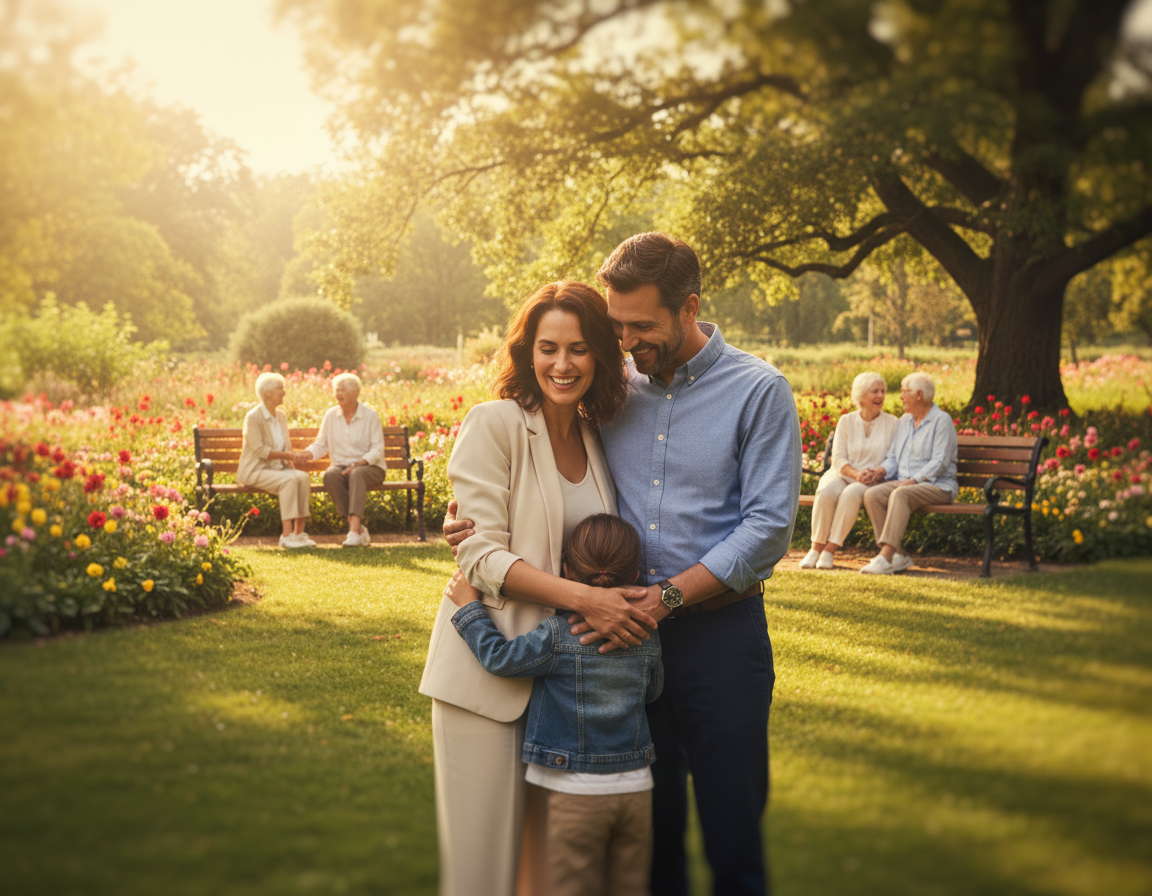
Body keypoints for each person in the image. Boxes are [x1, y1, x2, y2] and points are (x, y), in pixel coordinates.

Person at [447, 233, 801, 896]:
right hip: (617, 640)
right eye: (617, 326)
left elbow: (768, 528)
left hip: (720, 635)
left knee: (732, 834)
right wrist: (467, 520)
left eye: (642, 326)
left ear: (689, 307)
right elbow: (536, 453)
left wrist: (666, 597)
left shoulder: (759, 391)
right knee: (650, 836)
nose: (627, 342)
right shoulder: (611, 390)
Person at [419, 281, 656, 896]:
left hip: (567, 700)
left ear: (601, 355)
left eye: (578, 348)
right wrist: (586, 601)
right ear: (527, 354)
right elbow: (476, 550)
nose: (562, 364)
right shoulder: (494, 424)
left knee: (543, 876)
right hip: (486, 674)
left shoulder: (595, 436)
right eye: (548, 347)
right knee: (481, 873)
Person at [445, 513, 661, 896]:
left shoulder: (558, 637)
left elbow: (501, 659)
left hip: (576, 794)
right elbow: (654, 691)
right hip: (636, 789)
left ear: (565, 570)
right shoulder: (645, 633)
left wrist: (468, 609)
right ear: (636, 570)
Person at [859, 371, 958, 575]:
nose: (901, 396)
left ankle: (885, 556)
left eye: (905, 392)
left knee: (900, 493)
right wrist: (880, 471)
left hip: (938, 486)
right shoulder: (904, 421)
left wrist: (915, 480)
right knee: (872, 494)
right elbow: (894, 457)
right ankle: (899, 556)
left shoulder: (942, 421)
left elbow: (940, 461)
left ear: (919, 395)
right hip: (907, 483)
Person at [799, 371, 898, 570]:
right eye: (875, 391)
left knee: (851, 494)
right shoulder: (846, 421)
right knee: (826, 490)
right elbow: (838, 458)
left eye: (883, 391)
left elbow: (894, 457)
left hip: (872, 480)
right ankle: (816, 548)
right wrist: (855, 474)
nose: (880, 396)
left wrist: (878, 471)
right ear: (861, 395)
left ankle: (829, 550)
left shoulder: (893, 422)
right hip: (843, 473)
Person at [294, 372, 386, 547]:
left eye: (342, 390)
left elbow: (378, 449)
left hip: (370, 467)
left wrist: (359, 463)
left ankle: (353, 530)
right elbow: (321, 444)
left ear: (355, 393)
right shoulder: (331, 415)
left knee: (357, 474)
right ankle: (357, 528)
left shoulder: (370, 416)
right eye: (336, 390)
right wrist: (307, 453)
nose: (338, 394)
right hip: (341, 468)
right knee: (330, 475)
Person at [237, 372, 315, 549]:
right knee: (288, 481)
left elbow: (286, 446)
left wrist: (294, 459)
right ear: (268, 394)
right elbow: (259, 450)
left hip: (278, 468)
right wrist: (289, 456)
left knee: (302, 478)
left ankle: (299, 535)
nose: (284, 392)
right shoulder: (253, 417)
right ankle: (286, 536)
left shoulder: (281, 416)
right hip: (255, 471)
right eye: (280, 389)